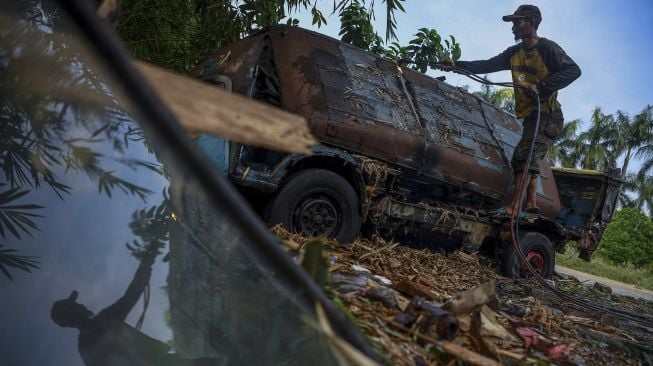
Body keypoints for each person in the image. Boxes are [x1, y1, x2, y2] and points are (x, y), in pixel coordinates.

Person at [440, 4, 581, 215]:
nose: (513, 27)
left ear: (531, 24)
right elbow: (487, 65)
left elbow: (573, 70)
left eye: (517, 22)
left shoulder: (547, 49)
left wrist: (542, 87)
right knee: (529, 157)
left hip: (548, 115)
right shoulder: (514, 53)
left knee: (524, 157)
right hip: (532, 117)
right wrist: (456, 65)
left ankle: (514, 207)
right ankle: (531, 203)